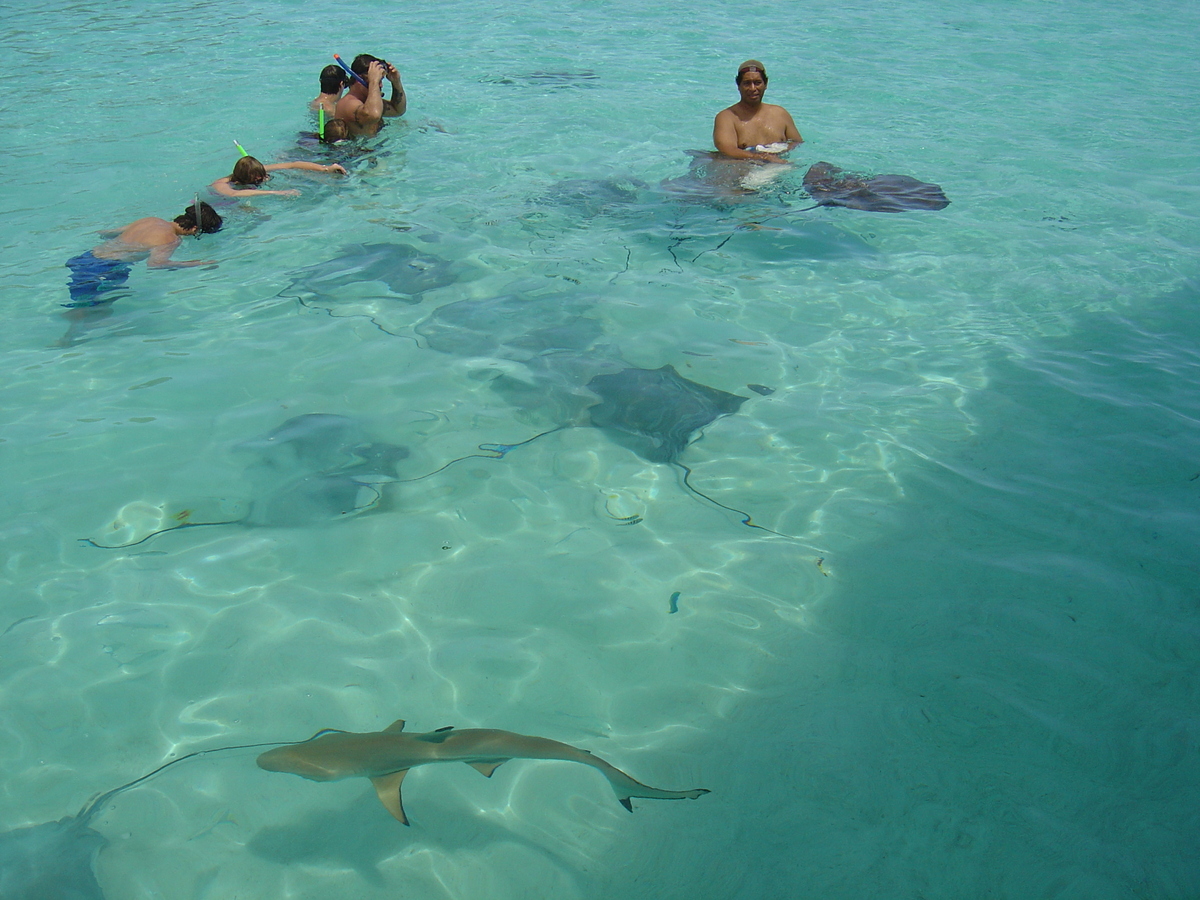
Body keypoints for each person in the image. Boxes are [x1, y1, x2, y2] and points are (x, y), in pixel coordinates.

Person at [64, 201, 222, 309]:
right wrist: (198, 263)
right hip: (107, 269)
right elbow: (155, 264)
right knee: (90, 312)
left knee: (86, 306)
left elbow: (107, 234)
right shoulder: (171, 239)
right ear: (195, 229)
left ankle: (69, 338)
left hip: (87, 257)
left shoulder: (151, 220)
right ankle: (67, 341)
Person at [712, 60, 802, 164]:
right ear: (738, 85)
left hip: (778, 165)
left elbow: (797, 142)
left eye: (757, 83)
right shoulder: (727, 117)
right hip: (745, 169)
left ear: (765, 84)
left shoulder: (780, 114)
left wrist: (782, 151)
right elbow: (728, 150)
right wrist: (760, 157)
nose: (753, 88)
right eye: (746, 83)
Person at [335, 53, 406, 137]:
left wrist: (396, 81)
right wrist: (374, 82)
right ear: (359, 80)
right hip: (352, 149)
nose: (381, 85)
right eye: (378, 80)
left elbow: (398, 110)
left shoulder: (369, 102)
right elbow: (374, 115)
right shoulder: (348, 104)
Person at [211, 155, 347, 198]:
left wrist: (326, 169)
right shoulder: (221, 184)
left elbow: (292, 165)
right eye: (257, 179)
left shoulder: (255, 171)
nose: (261, 179)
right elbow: (234, 194)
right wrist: (277, 192)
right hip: (222, 203)